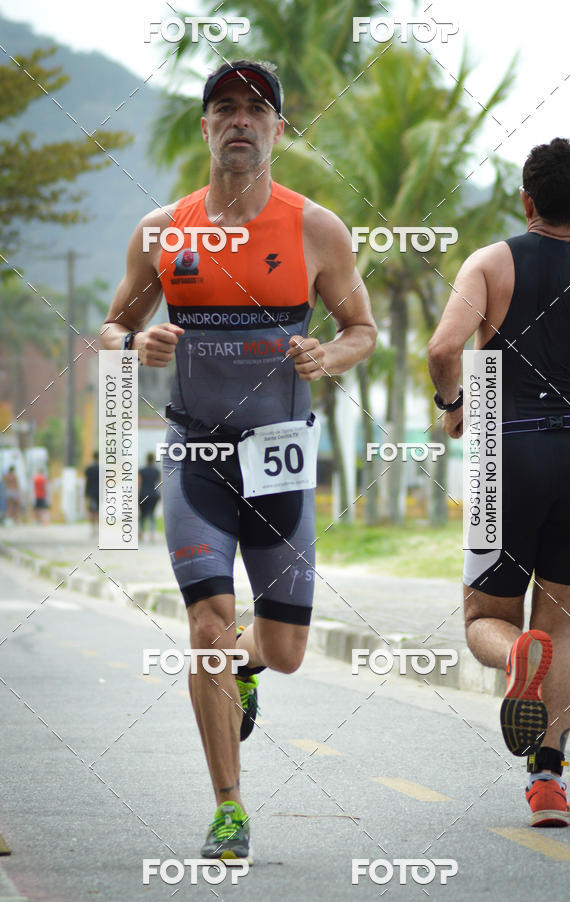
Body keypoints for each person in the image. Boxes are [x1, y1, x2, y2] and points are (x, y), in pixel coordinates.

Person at [100, 59, 376, 862]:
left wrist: (329, 355)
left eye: (256, 108)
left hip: (280, 461)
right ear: (206, 128)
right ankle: (229, 807)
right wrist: (134, 344)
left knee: (284, 653)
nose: (240, 120)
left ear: (278, 130)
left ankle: (247, 666)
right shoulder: (163, 231)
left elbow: (361, 329)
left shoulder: (317, 229)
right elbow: (111, 329)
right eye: (225, 107)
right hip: (196, 458)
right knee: (208, 626)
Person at [428, 137, 570, 828]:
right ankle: (549, 783)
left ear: (525, 200)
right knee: (563, 626)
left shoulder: (491, 262)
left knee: (484, 619)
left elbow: (444, 348)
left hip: (507, 454)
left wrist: (453, 406)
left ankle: (516, 655)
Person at [138, 451, 161, 542]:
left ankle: (141, 534)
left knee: (142, 515)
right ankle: (152, 534)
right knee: (152, 514)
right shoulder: (156, 471)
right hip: (153, 495)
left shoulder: (141, 470)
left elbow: (139, 483)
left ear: (146, 459)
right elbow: (159, 483)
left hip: (143, 494)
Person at [84, 452, 100, 535]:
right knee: (97, 511)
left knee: (92, 510)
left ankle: (92, 527)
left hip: (91, 492)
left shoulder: (89, 469)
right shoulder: (101, 469)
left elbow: (87, 481)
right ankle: (96, 527)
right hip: (99, 493)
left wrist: (86, 493)